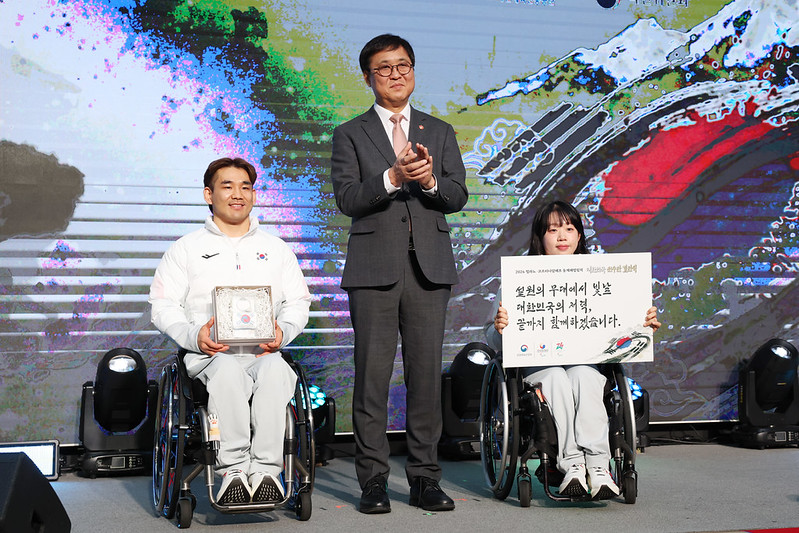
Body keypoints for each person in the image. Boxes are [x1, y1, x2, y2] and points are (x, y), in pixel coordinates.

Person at [330, 34, 468, 514]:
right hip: (373, 270)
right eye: (384, 68)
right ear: (368, 77)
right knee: (372, 378)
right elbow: (347, 199)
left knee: (426, 378)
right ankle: (372, 480)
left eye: (403, 65)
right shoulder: (350, 133)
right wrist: (393, 177)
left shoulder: (440, 130)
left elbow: (456, 195)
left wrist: (428, 180)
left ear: (414, 71)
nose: (396, 74)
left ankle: (425, 479)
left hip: (429, 268)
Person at [149, 157, 311, 505]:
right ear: (209, 194)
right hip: (209, 356)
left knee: (275, 371)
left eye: (245, 187)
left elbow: (298, 302)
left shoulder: (276, 249)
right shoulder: (186, 249)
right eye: (227, 186)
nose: (238, 194)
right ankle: (234, 469)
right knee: (225, 372)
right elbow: (162, 306)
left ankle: (267, 469)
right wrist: (195, 336)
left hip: (262, 352)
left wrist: (283, 331)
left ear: (253, 195)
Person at [485, 200, 660, 500]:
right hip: (539, 364)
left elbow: (623, 324)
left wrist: (642, 323)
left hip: (586, 362)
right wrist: (500, 328)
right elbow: (493, 341)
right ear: (540, 237)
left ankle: (598, 466)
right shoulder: (518, 279)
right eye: (553, 230)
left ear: (580, 236)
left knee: (583, 376)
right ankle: (573, 465)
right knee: (554, 377)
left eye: (569, 228)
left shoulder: (604, 277)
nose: (562, 236)